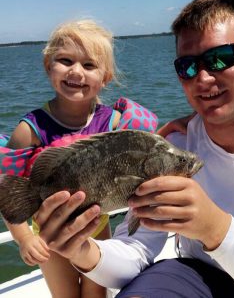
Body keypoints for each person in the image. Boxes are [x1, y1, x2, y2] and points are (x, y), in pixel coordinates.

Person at [32, 0, 234, 297]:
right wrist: (81, 249)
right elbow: (136, 249)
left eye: (220, 58)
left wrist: (215, 228)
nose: (203, 78)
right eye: (188, 66)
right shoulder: (174, 146)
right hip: (200, 277)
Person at [3, 19, 158, 298]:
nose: (76, 71)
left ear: (105, 77)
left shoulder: (116, 123)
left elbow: (148, 153)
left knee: (97, 295)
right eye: (65, 60)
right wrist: (24, 237)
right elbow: (10, 191)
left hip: (96, 227)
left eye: (89, 65)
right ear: (48, 66)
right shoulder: (30, 130)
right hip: (48, 233)